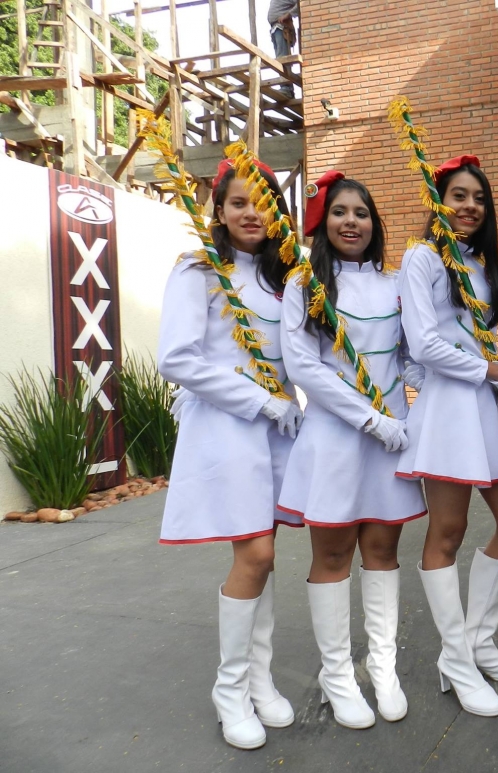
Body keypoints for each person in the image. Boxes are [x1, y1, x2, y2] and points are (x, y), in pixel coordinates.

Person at [158, 158, 302, 750]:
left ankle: (260, 681)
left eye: (264, 204)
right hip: (228, 427)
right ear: (218, 211)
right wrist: (260, 403)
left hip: (278, 430)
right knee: (257, 554)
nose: (252, 213)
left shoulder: (282, 276)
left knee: (263, 558)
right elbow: (179, 358)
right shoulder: (199, 269)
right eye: (240, 203)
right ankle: (230, 688)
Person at [277, 172, 426, 728]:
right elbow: (304, 368)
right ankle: (337, 674)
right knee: (334, 555)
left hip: (392, 439)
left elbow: (408, 356)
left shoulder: (394, 285)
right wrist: (369, 418)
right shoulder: (305, 286)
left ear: (374, 222)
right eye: (340, 212)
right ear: (322, 223)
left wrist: (439, 388)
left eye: (361, 213)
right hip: (338, 439)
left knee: (384, 553)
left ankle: (382, 667)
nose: (351, 222)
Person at [395, 155, 498, 718]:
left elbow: (468, 337)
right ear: (438, 201)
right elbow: (424, 345)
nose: (469, 206)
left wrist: (495, 377)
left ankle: (477, 639)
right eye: (458, 195)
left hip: (479, 405)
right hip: (450, 409)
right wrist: (491, 372)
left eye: (478, 197)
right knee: (447, 530)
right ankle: (454, 660)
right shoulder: (423, 256)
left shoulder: (476, 262)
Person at [267, 0, 299, 97]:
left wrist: (288, 14)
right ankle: (286, 87)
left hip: (282, 27)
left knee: (283, 58)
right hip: (276, 28)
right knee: (280, 59)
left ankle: (287, 88)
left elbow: (301, 4)